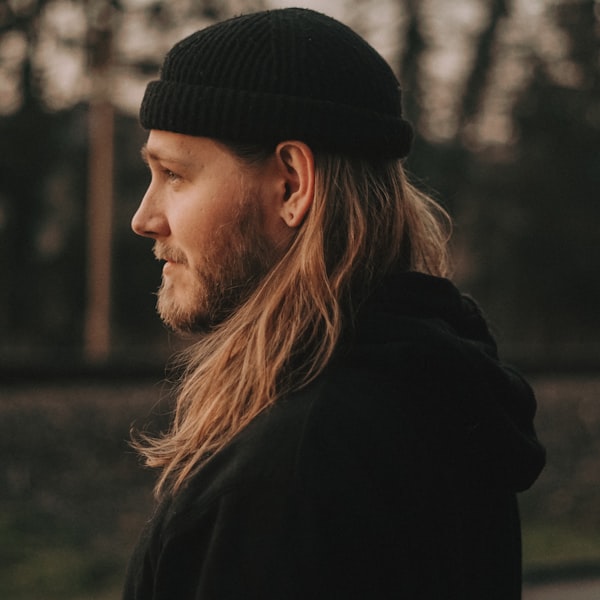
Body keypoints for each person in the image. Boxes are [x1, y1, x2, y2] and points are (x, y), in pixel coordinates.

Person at [124, 8, 545, 599]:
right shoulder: (440, 397)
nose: (144, 218)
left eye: (174, 174)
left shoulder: (286, 474)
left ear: (292, 184)